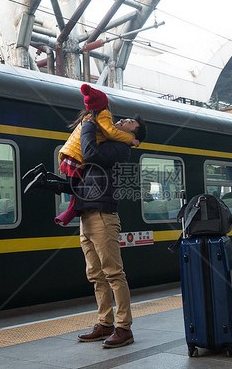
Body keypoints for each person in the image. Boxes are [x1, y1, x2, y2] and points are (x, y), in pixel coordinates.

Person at [75, 114, 147, 348]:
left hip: (103, 217)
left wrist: (86, 124)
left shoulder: (120, 148)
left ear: (132, 136)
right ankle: (105, 323)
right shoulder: (107, 142)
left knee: (113, 274)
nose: (123, 120)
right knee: (95, 275)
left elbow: (90, 155)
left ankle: (124, 328)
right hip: (86, 214)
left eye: (129, 123)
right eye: (125, 119)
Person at [22, 84, 139, 226]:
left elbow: (109, 134)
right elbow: (110, 133)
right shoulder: (100, 118)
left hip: (70, 155)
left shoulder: (94, 117)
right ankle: (43, 181)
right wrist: (129, 139)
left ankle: (43, 173)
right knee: (72, 187)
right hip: (76, 158)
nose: (122, 120)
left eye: (129, 122)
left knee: (71, 185)